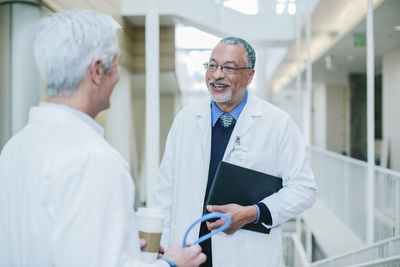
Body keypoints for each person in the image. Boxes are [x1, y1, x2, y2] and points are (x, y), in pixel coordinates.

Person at [0, 9, 205, 267]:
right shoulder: (94, 160)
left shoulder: (14, 147)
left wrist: (123, 243)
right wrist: (172, 263)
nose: (117, 76)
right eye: (116, 64)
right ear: (97, 71)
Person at [154, 37, 317, 267]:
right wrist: (159, 250)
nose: (217, 75)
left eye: (228, 67)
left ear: (250, 75)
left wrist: (254, 212)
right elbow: (164, 193)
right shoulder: (186, 120)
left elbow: (304, 189)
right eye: (212, 65)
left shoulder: (278, 123)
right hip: (187, 255)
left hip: (247, 257)